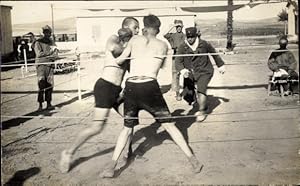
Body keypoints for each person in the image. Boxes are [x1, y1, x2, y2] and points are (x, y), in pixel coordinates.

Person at [100, 14, 202, 178]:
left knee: (127, 128)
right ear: (158, 29)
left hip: (132, 87)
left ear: (144, 28)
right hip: (149, 87)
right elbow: (160, 67)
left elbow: (119, 61)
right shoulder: (163, 45)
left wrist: (122, 49)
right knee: (169, 125)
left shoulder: (134, 40)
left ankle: (111, 167)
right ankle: (192, 160)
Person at [59, 17, 140, 173]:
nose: (137, 30)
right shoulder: (115, 38)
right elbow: (113, 48)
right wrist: (130, 48)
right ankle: (68, 152)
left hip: (117, 91)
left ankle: (127, 154)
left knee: (130, 120)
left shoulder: (132, 45)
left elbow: (133, 68)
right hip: (105, 87)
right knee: (97, 127)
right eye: (135, 27)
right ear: (126, 27)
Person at [175, 27, 226, 121]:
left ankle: (202, 111)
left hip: (205, 71)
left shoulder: (204, 44)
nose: (190, 39)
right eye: (188, 37)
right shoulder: (183, 46)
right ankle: (203, 104)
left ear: (196, 36)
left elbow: (213, 53)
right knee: (188, 95)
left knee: (201, 90)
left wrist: (220, 65)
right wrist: (182, 70)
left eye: (192, 37)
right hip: (190, 72)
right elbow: (178, 60)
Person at [34, 25, 58, 111]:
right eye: (46, 32)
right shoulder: (38, 42)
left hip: (50, 66)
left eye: (49, 32)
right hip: (41, 66)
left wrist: (53, 54)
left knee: (50, 85)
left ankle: (49, 104)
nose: (48, 34)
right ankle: (40, 105)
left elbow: (56, 53)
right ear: (43, 32)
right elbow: (39, 54)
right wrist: (50, 52)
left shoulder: (52, 42)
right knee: (41, 84)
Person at [164, 19, 186, 101]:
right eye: (177, 27)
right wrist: (172, 26)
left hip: (184, 56)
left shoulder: (185, 36)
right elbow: (164, 34)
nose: (178, 28)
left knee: (186, 73)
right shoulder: (173, 35)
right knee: (176, 75)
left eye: (180, 27)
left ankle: (188, 92)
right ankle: (177, 93)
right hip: (175, 56)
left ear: (182, 27)